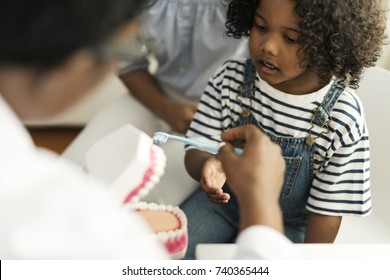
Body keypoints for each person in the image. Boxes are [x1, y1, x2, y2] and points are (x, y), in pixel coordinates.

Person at [0, 0, 296, 259]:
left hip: (223, 118)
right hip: (159, 100)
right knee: (85, 165)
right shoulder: (109, 247)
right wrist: (261, 206)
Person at [181, 0, 387, 259]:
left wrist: (304, 266)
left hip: (286, 226)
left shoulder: (342, 116)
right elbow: (194, 150)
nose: (268, 46)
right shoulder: (229, 79)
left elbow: (327, 215)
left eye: (291, 38)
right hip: (222, 205)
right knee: (168, 254)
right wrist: (207, 166)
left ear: (328, 45)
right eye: (261, 26)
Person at [62, 0, 248, 206]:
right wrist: (165, 108)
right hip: (155, 96)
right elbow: (126, 60)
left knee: (151, 199)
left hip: (220, 115)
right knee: (73, 166)